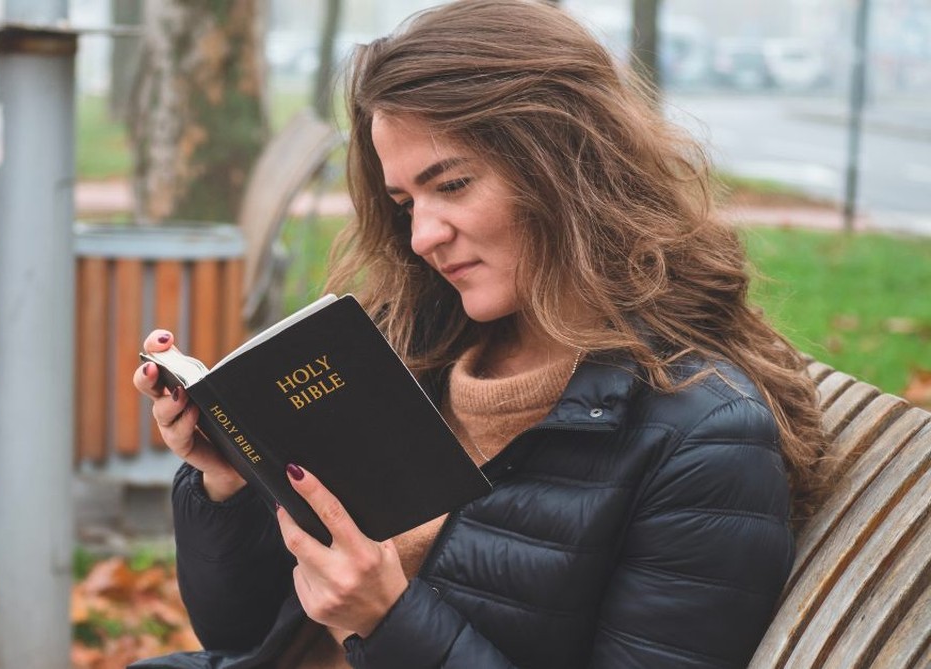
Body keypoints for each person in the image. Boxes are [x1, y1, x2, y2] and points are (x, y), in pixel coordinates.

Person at [131, 1, 828, 666]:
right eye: (406, 203)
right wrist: (226, 481)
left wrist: (387, 617)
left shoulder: (703, 442)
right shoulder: (416, 345)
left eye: (454, 184)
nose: (424, 235)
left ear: (565, 165)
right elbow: (241, 633)